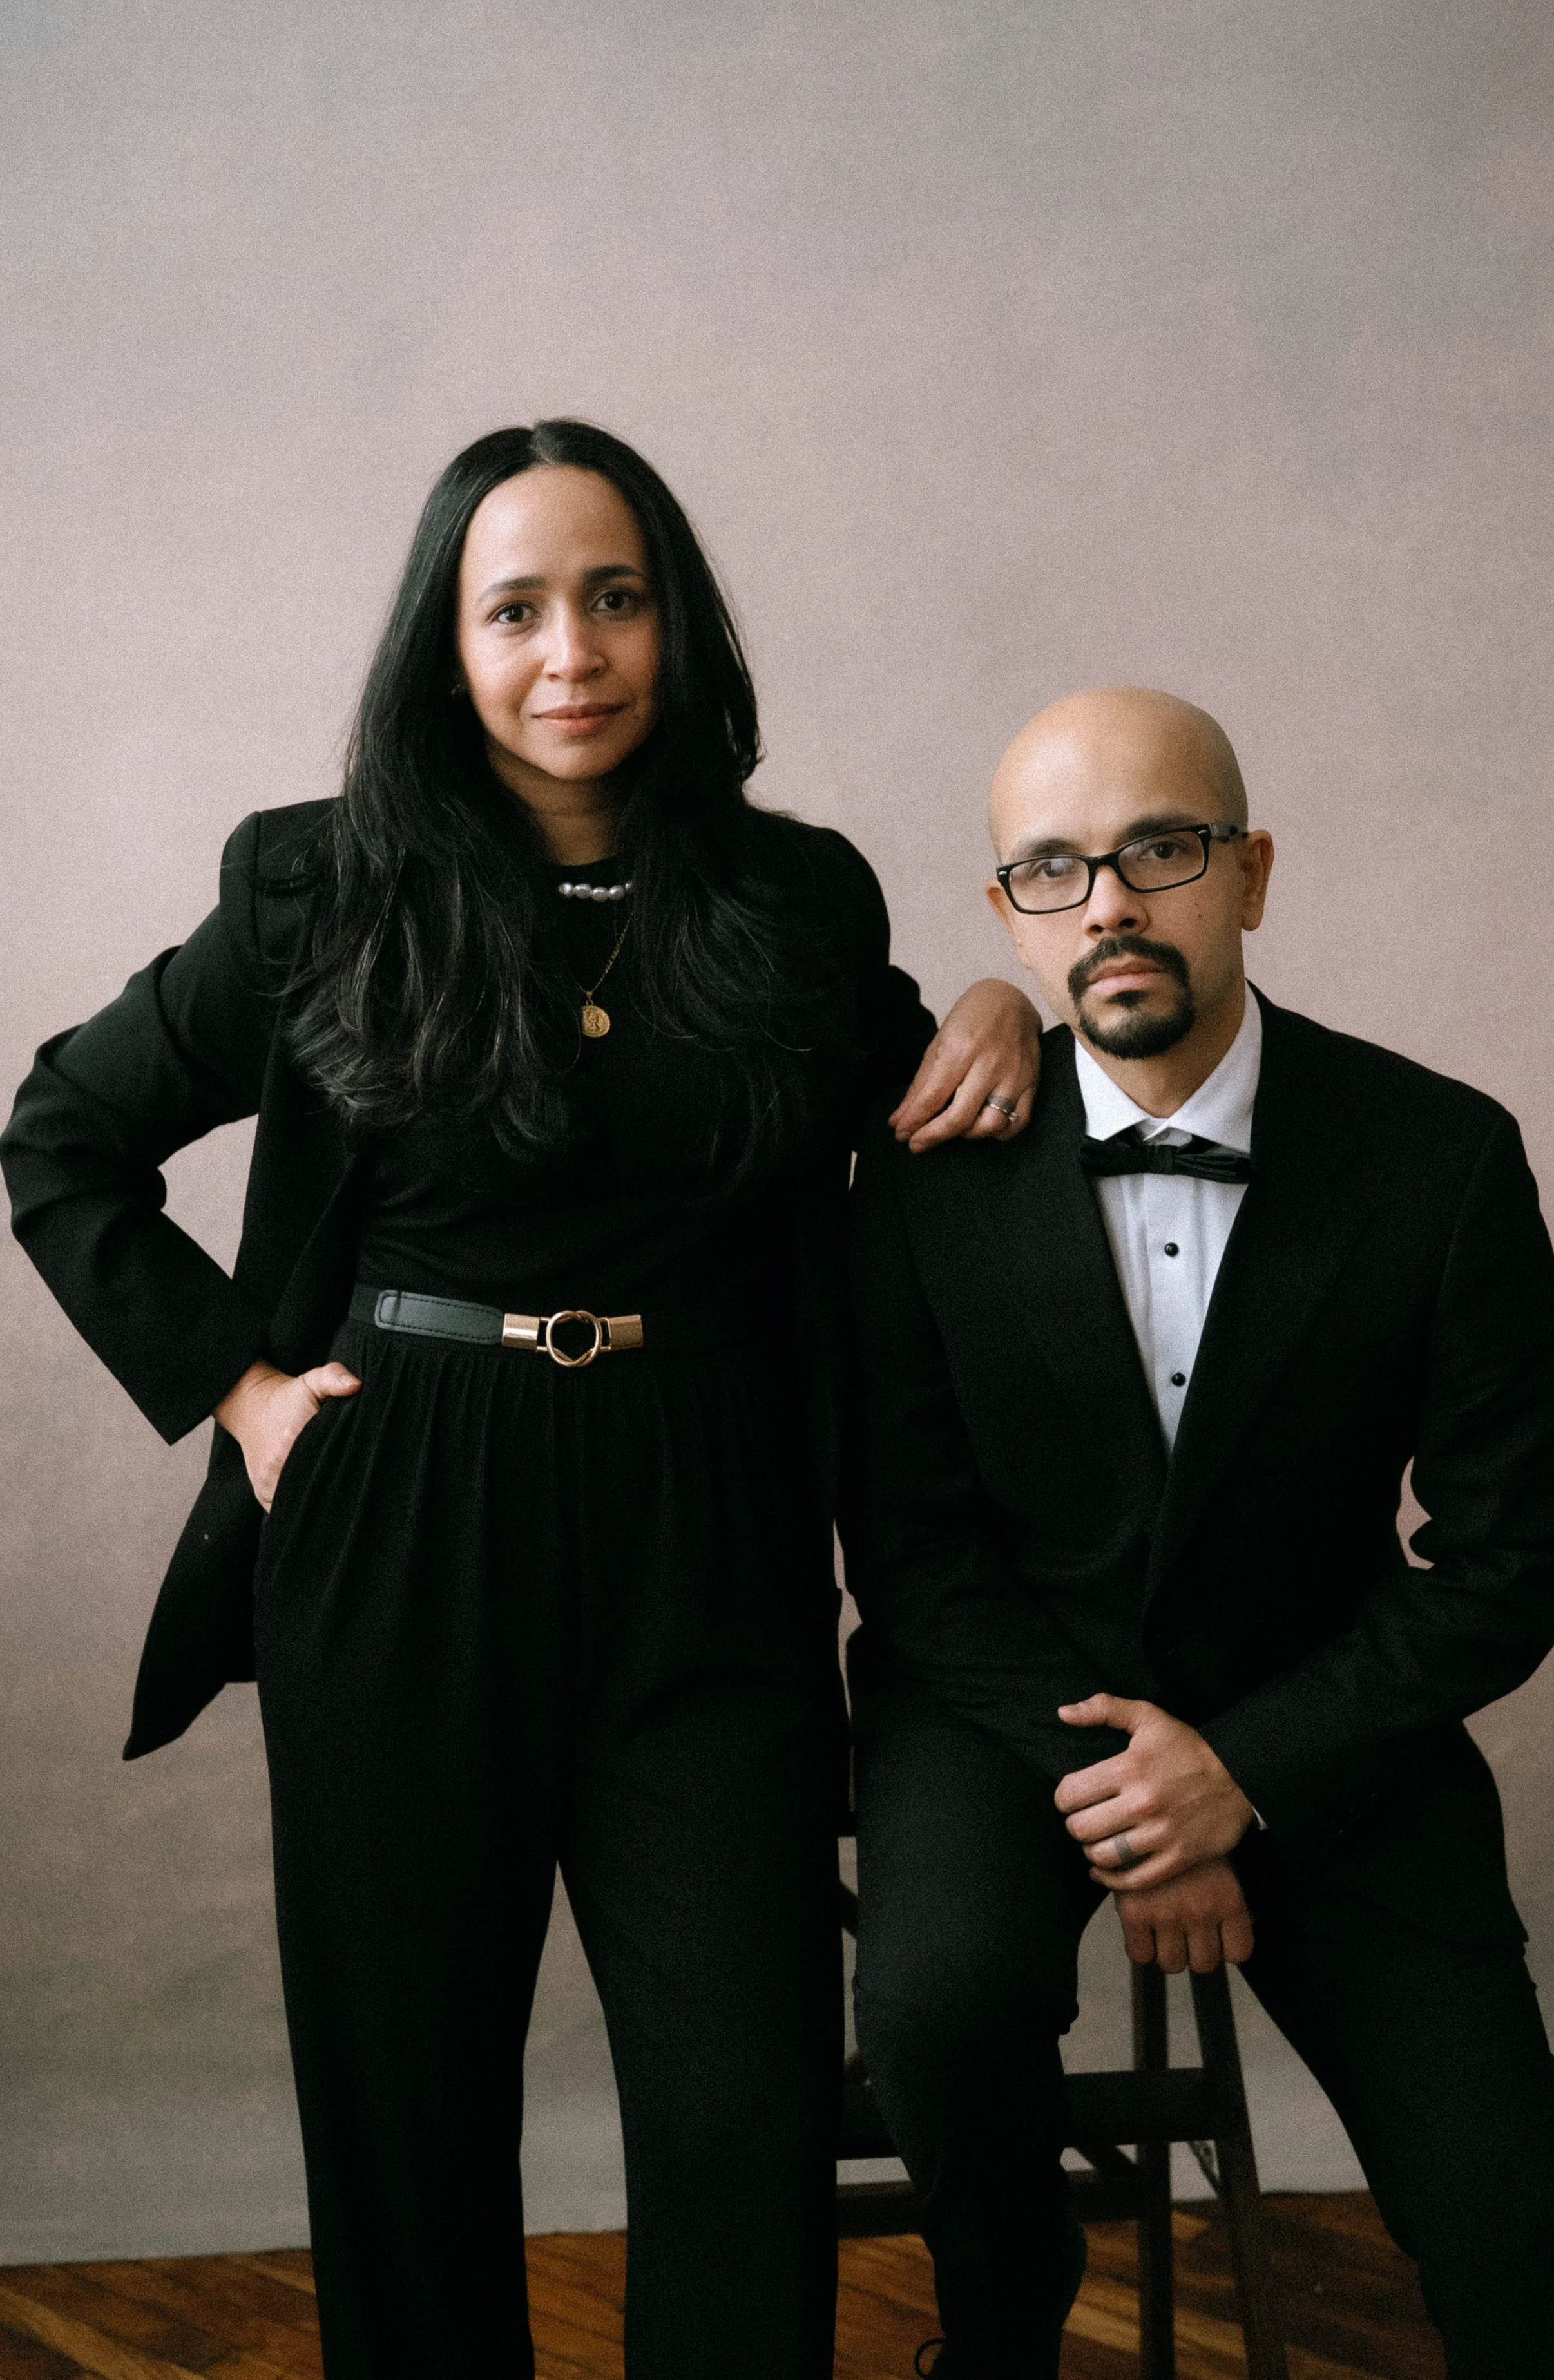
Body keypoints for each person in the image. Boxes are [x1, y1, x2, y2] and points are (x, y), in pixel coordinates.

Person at [0, 420, 1045, 2380]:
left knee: (741, 2117)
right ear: (447, 642)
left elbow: (926, 1101)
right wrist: (238, 1385)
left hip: (707, 1536)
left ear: (675, 623)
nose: (573, 652)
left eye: (616, 597)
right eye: (516, 609)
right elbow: (61, 1136)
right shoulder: (320, 888)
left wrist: (1002, 1006)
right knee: (407, 2123)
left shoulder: (793, 898)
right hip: (398, 1519)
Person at [841, 686, 1554, 2380]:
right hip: (1002, 1710)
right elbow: (912, 1555)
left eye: (1160, 850)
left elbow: (1517, 1552)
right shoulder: (921, 1173)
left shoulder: (1439, 1156)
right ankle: (1004, 2314)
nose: (1108, 902)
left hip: (1324, 1711)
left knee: (1526, 2236)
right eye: (1054, 868)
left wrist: (1241, 1770)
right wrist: (1144, 1807)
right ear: (1009, 913)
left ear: (1251, 873)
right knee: (937, 2005)